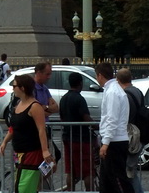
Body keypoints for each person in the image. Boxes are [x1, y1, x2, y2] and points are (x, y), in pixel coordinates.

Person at [0, 73, 53, 193]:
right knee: (23, 185)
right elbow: (14, 128)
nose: (13, 89)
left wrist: (45, 150)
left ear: (22, 88)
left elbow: (41, 129)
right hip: (19, 153)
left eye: (14, 86)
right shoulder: (18, 104)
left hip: (32, 152)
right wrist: (5, 141)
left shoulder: (35, 106)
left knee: (24, 188)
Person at [95, 62, 133, 193]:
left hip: (114, 141)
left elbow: (112, 119)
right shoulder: (114, 90)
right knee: (106, 182)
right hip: (114, 140)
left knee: (118, 181)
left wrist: (105, 143)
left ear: (100, 75)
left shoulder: (112, 92)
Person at [59, 72, 95, 191]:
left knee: (71, 171)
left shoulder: (64, 98)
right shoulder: (79, 99)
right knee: (87, 171)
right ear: (80, 83)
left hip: (67, 137)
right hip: (81, 139)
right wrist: (97, 125)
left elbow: (62, 117)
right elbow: (86, 118)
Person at [117, 68, 142, 193]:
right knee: (131, 171)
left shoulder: (125, 95)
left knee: (129, 172)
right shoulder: (137, 91)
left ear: (118, 80)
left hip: (131, 135)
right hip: (138, 133)